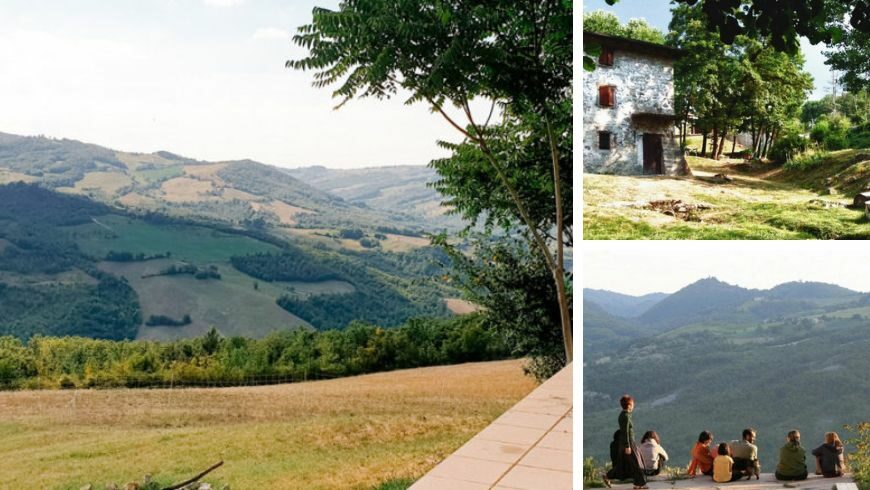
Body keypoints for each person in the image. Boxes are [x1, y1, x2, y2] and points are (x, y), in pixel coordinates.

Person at [604, 395, 648, 489]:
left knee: (624, 464)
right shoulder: (625, 417)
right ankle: (640, 483)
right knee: (636, 463)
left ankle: (608, 476)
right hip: (628, 443)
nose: (633, 406)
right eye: (632, 404)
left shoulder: (625, 415)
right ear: (629, 405)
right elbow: (625, 432)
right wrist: (627, 446)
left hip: (626, 443)